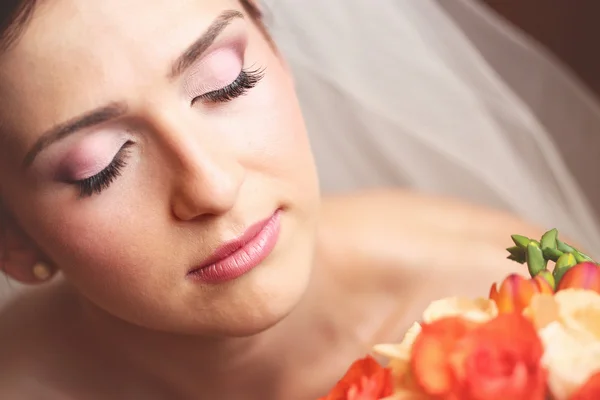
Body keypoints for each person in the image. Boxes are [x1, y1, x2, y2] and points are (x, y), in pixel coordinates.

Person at [0, 1, 546, 399]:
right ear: (15, 240)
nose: (213, 186)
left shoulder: (519, 306)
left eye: (226, 84)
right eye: (99, 167)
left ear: (279, 55)